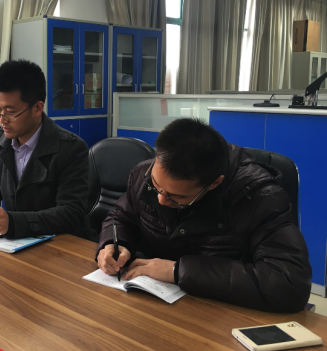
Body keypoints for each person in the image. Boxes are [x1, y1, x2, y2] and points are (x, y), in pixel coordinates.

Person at [97, 118, 312, 313]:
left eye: (176, 196)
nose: (161, 199)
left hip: (223, 316)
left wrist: (177, 271)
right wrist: (115, 243)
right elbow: (121, 216)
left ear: (214, 183)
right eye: (156, 186)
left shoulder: (261, 197)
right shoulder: (142, 174)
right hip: (156, 306)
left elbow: (289, 283)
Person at [0, 59, 95, 241]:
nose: (2, 119)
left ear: (37, 108)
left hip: (65, 244)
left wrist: (15, 222)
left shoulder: (70, 148)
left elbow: (71, 212)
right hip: (20, 242)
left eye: (10, 112)